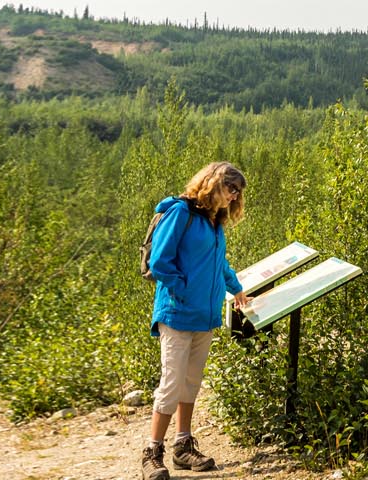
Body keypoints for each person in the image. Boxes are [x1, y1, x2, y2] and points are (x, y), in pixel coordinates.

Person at [140, 162, 249, 480]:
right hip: (176, 313)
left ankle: (183, 446)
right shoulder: (181, 213)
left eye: (238, 192)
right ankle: (152, 452)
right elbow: (160, 261)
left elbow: (218, 263)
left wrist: (236, 289)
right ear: (214, 184)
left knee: (191, 383)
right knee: (171, 385)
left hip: (205, 316)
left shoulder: (214, 222)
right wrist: (185, 291)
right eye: (231, 189)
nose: (234, 196)